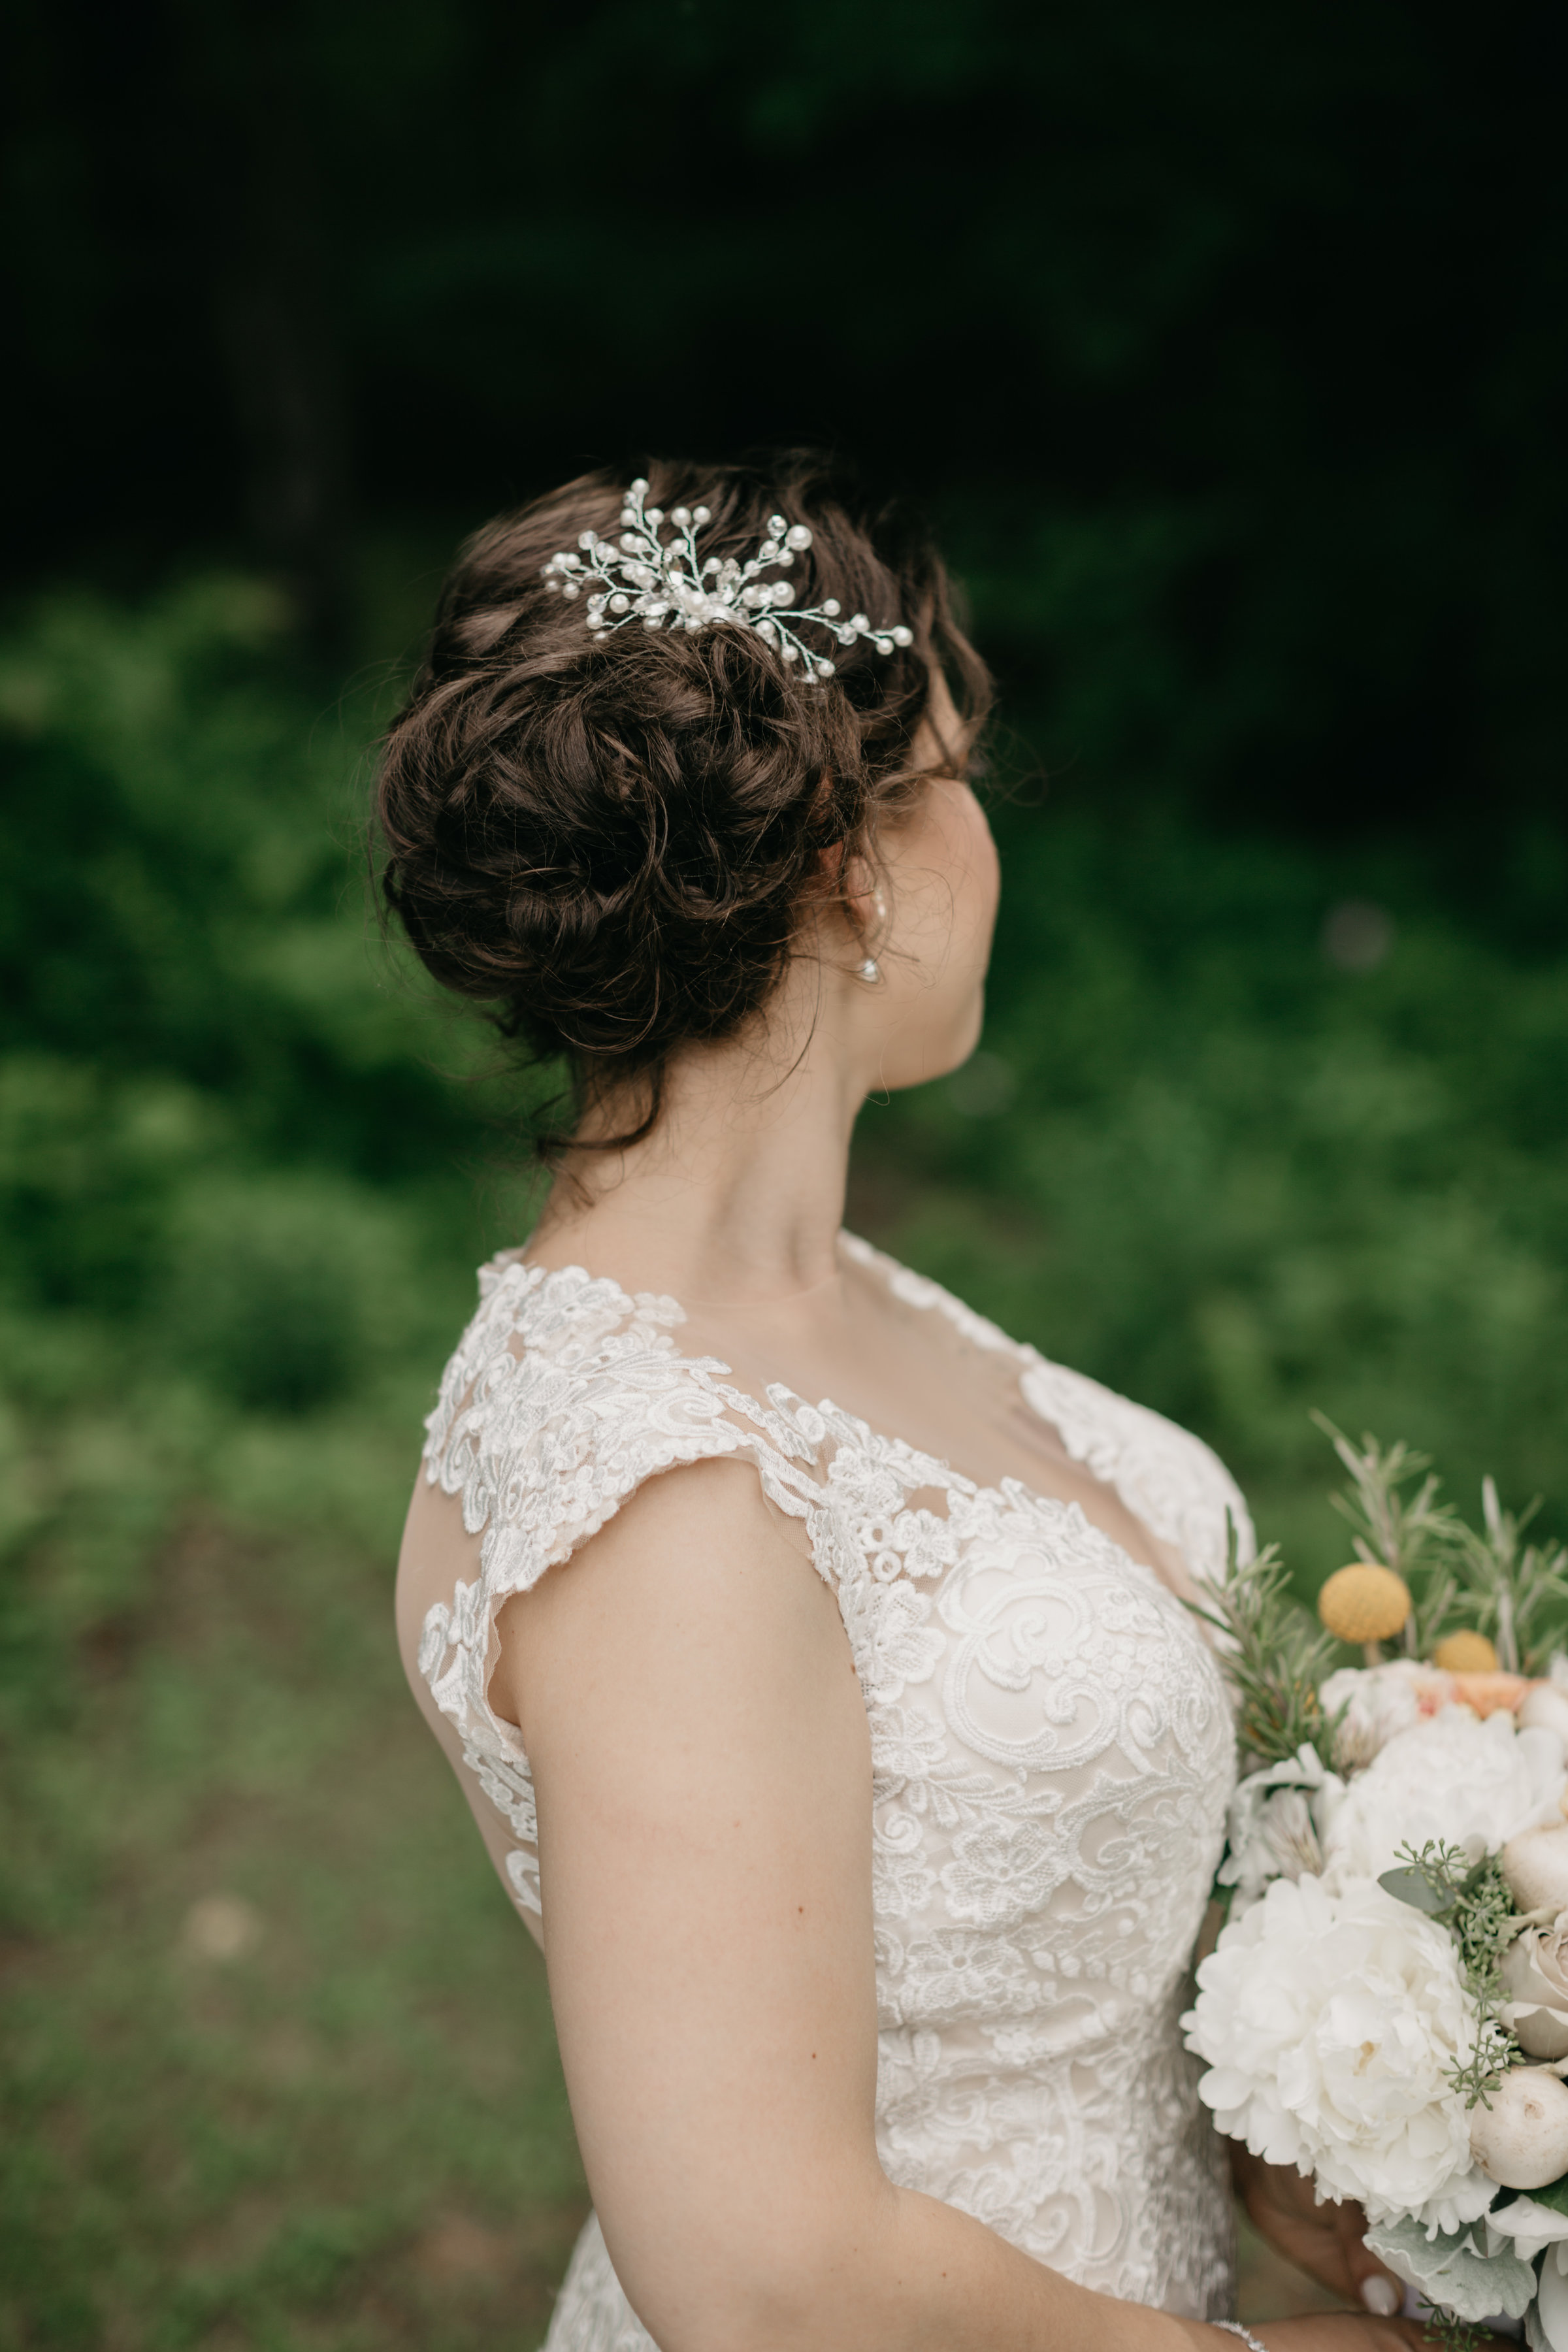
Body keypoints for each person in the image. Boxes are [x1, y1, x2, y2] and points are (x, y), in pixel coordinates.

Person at [378, 456, 1447, 2352]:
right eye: (959, 778)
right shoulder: (653, 1488)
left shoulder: (843, 1295)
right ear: (848, 871)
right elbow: (769, 2279)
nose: (993, 840)